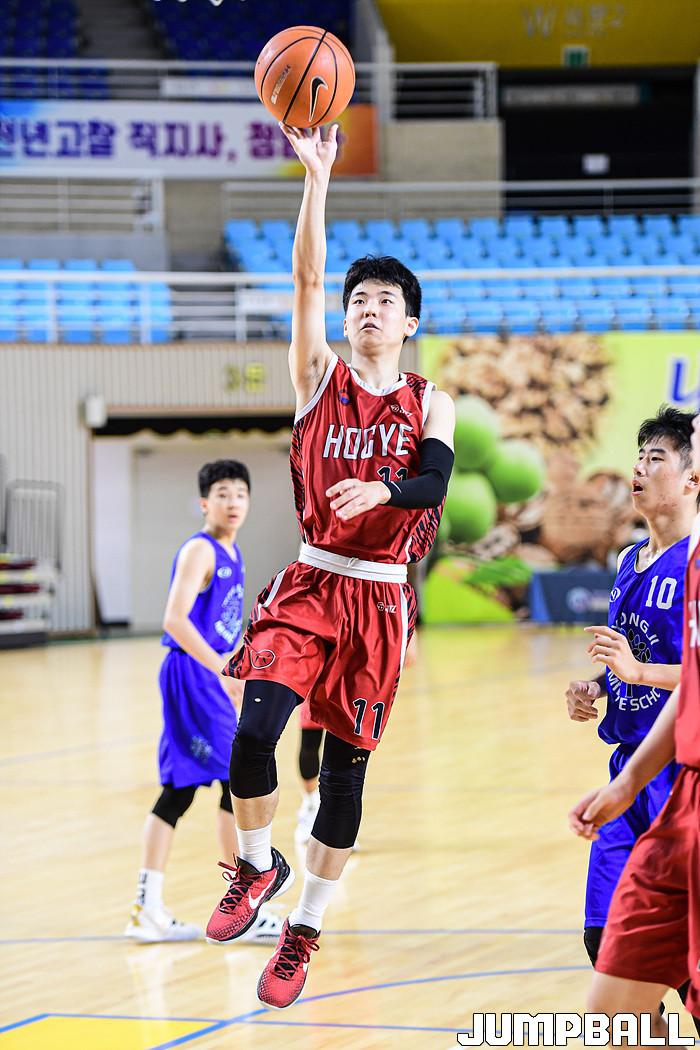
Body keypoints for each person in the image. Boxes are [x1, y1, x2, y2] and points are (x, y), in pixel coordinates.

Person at [205, 122, 455, 1012]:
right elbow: (307, 277)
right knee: (252, 736)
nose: (367, 307)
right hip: (312, 581)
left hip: (381, 600)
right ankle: (256, 866)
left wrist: (383, 487)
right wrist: (316, 178)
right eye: (359, 299)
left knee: (345, 776)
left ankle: (304, 929)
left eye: (385, 299)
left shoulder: (432, 400)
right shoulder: (316, 377)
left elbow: (434, 481)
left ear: (410, 321)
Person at [569, 411, 700, 1041]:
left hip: (681, 774)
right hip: (628, 770)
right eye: (638, 456)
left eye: (656, 458)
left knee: (682, 961)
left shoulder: (695, 560)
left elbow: (683, 671)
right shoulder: (628, 559)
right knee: (604, 941)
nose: (639, 469)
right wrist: (598, 686)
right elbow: (633, 654)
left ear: (692, 479)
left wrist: (638, 671)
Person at [125, 459, 282, 945]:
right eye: (222, 494)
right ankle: (242, 909)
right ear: (203, 503)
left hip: (204, 672)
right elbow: (174, 619)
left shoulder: (233, 551)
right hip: (193, 674)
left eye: (240, 494)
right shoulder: (201, 549)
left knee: (184, 790)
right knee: (237, 781)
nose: (232, 502)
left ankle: (149, 907)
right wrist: (221, 670)